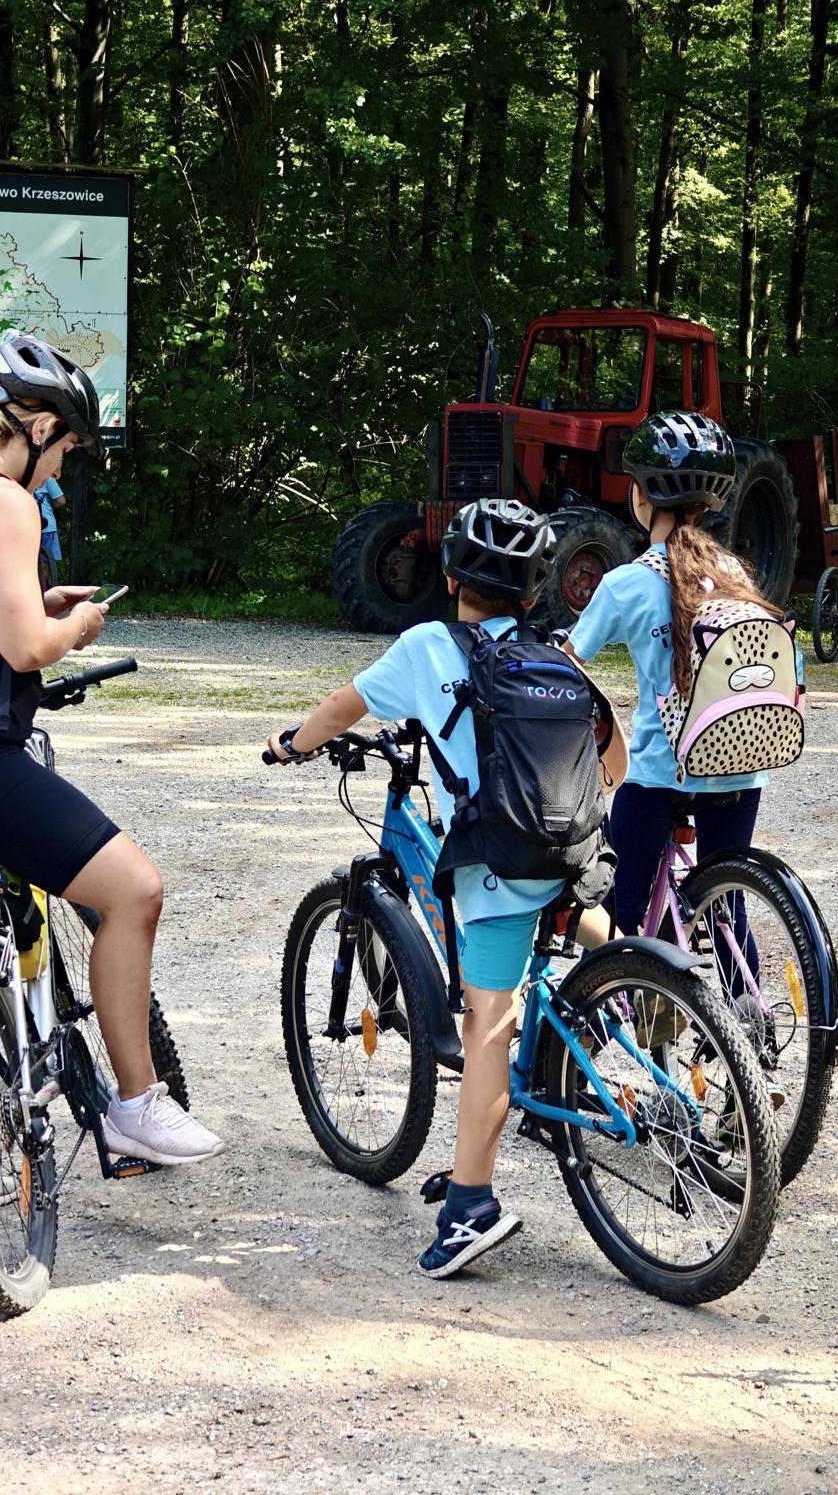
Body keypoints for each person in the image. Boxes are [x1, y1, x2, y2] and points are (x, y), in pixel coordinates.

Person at [0, 331, 223, 1223]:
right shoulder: (5, 500)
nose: (64, 465)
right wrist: (73, 627)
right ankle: (136, 1106)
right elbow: (25, 646)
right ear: (36, 428)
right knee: (133, 891)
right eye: (66, 445)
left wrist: (39, 605)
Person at [266, 500, 621, 1279]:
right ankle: (632, 995)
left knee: (486, 1025)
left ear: (452, 577)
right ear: (535, 592)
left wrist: (292, 744)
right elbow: (612, 755)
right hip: (574, 852)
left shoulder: (427, 646)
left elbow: (344, 707)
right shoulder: (554, 650)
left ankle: (470, 1208)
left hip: (500, 866)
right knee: (580, 926)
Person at [562, 411, 780, 943]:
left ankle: (616, 986)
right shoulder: (732, 573)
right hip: (740, 765)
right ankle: (743, 991)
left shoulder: (625, 584)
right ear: (705, 507)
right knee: (725, 905)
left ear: (641, 496)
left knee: (618, 911)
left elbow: (567, 663)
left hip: (663, 772)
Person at [34, 468, 67, 581]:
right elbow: (61, 501)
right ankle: (45, 588)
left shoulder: (19, 474)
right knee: (46, 563)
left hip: (26, 524)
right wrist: (51, 506)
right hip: (47, 525)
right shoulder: (46, 476)